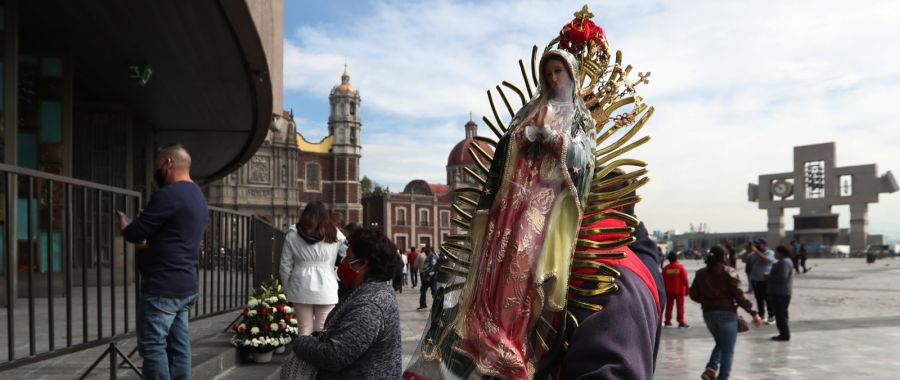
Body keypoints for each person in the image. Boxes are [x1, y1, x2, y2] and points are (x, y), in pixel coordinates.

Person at [120, 144, 208, 380]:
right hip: (186, 285)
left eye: (156, 166)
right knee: (179, 346)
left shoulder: (168, 195)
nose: (155, 173)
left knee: (153, 344)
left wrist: (128, 225)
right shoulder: (199, 197)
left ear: (168, 163)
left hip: (162, 286)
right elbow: (171, 232)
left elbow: (135, 234)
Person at [291, 227, 402, 378]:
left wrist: (300, 343)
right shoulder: (364, 291)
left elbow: (335, 356)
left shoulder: (370, 306)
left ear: (362, 264)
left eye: (347, 258)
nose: (342, 262)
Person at [690, 245, 763, 380]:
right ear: (724, 257)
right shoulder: (729, 271)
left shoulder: (700, 273)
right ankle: (721, 376)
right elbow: (739, 295)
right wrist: (754, 313)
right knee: (728, 350)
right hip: (727, 315)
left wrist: (707, 301)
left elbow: (693, 294)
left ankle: (711, 369)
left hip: (708, 315)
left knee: (721, 343)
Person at [279, 201, 345, 336]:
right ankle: (319, 357)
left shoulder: (293, 233)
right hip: (327, 286)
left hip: (300, 285)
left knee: (304, 329)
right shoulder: (335, 233)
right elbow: (347, 254)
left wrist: (288, 289)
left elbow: (285, 266)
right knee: (323, 330)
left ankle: (303, 356)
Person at [767, 245, 794, 341]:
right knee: (781, 314)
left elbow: (782, 278)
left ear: (781, 253)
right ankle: (784, 333)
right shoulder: (784, 262)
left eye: (776, 252)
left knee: (780, 315)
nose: (775, 254)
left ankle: (784, 334)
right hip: (781, 293)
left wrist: (768, 277)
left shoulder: (784, 262)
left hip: (781, 293)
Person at [747, 238, 775, 324]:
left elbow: (766, 260)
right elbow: (744, 260)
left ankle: (771, 317)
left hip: (765, 280)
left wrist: (756, 251)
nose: (757, 246)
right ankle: (761, 315)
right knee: (759, 299)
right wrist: (747, 250)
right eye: (756, 245)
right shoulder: (754, 254)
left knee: (768, 299)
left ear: (765, 245)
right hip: (755, 280)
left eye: (759, 245)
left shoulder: (770, 252)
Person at [663, 252, 690, 328]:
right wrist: (687, 290)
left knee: (669, 306)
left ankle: (668, 321)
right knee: (680, 307)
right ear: (676, 258)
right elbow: (685, 280)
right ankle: (681, 321)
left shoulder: (665, 269)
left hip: (668, 291)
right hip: (679, 291)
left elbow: (663, 280)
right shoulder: (680, 268)